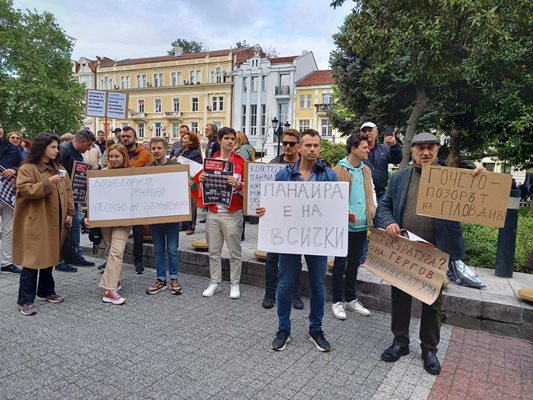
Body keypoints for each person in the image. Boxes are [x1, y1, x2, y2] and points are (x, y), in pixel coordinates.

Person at [376, 132, 485, 375]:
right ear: (412, 151)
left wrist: (480, 179)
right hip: (405, 248)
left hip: (436, 253)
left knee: (433, 303)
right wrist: (389, 221)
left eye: (430, 148)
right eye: (420, 148)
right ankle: (400, 343)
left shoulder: (452, 178)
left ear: (437, 151)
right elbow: (384, 205)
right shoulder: (400, 177)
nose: (425, 152)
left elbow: (479, 195)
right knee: (400, 298)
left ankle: (429, 349)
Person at [256, 129, 338, 352]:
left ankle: (316, 329)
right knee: (284, 284)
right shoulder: (284, 175)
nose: (313, 149)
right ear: (300, 148)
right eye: (308, 145)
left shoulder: (329, 175)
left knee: (318, 285)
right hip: (289, 239)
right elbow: (275, 205)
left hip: (317, 240)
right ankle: (283, 329)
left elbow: (334, 207)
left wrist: (343, 215)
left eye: (316, 146)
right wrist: (266, 211)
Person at [13, 133, 75, 315]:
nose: (57, 150)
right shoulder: (27, 168)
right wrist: (48, 182)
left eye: (57, 147)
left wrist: (70, 212)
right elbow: (25, 190)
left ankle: (46, 290)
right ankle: (24, 300)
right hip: (37, 220)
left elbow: (68, 190)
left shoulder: (59, 167)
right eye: (53, 147)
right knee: (32, 260)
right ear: (42, 147)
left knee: (50, 255)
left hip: (56, 219)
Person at [331, 132, 376, 320]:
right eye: (365, 147)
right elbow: (331, 198)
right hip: (344, 227)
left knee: (354, 264)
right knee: (340, 264)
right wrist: (344, 213)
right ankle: (337, 301)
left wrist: (373, 209)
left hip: (362, 226)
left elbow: (371, 191)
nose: (369, 150)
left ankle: (350, 299)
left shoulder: (366, 170)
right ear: (353, 149)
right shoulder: (338, 170)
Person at [200, 127, 245, 299]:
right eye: (226, 138)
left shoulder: (240, 162)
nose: (230, 141)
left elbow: (248, 190)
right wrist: (202, 180)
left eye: (233, 138)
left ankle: (235, 284)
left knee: (235, 251)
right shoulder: (211, 162)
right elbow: (202, 190)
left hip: (232, 212)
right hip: (213, 212)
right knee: (213, 251)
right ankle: (215, 282)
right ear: (219, 140)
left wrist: (238, 185)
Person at [262, 129, 304, 310]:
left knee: (295, 259)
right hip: (275, 220)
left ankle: (296, 294)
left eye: (291, 144)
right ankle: (269, 293)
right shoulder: (273, 165)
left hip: (297, 220)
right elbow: (263, 193)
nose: (287, 146)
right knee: (272, 259)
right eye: (285, 143)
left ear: (298, 146)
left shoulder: (305, 167)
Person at [90, 144, 132, 305]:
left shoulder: (132, 173)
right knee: (109, 250)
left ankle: (109, 289)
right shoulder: (101, 174)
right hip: (105, 217)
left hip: (124, 218)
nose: (114, 159)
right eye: (111, 156)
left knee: (116, 251)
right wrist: (89, 216)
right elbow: (93, 197)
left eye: (117, 156)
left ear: (124, 157)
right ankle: (115, 279)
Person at [55, 129, 97, 273]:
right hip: (63, 195)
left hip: (74, 194)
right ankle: (61, 259)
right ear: (82, 141)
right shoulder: (64, 150)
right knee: (64, 227)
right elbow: (57, 171)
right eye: (89, 145)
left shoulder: (77, 153)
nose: (90, 148)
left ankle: (75, 255)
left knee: (75, 226)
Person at [145, 138, 183, 295]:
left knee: (173, 249)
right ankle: (161, 278)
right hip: (155, 216)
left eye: (159, 148)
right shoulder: (147, 168)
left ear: (165, 149)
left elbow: (191, 187)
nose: (156, 151)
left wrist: (188, 184)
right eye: (153, 148)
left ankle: (174, 278)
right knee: (159, 249)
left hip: (173, 216)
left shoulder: (177, 167)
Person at [121, 126, 153, 274]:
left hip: (139, 198)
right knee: (118, 230)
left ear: (135, 138)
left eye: (128, 136)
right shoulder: (116, 153)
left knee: (138, 231)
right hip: (121, 199)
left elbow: (152, 174)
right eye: (123, 136)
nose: (125, 138)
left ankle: (138, 260)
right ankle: (112, 260)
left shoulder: (145, 155)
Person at [0, 128, 23, 274]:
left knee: (9, 229)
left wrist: (15, 170)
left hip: (8, 193)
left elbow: (23, 165)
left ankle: (6, 262)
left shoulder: (13, 149)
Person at [179, 132, 203, 235]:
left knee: (192, 203)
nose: (182, 140)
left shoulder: (195, 153)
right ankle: (183, 224)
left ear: (191, 141)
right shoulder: (183, 151)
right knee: (184, 201)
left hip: (192, 180)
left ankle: (191, 226)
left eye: (185, 138)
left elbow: (196, 166)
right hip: (184, 179)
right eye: (182, 138)